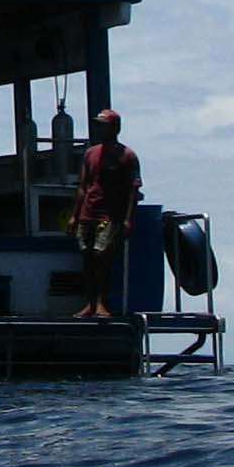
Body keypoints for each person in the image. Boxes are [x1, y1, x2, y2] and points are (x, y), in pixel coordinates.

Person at [72, 106, 142, 321]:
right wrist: (75, 215)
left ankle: (102, 302)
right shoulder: (90, 153)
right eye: (98, 125)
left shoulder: (128, 156)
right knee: (87, 256)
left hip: (110, 215)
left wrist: (129, 218)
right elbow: (83, 185)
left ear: (115, 128)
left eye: (104, 125)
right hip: (88, 213)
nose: (100, 129)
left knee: (102, 255)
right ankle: (90, 303)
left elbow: (133, 189)